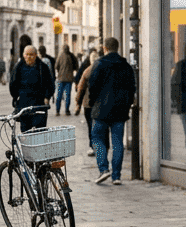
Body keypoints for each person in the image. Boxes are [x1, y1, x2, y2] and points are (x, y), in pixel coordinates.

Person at [86, 37, 136, 186]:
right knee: (117, 142)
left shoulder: (99, 64)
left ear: (105, 48)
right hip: (120, 110)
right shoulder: (125, 65)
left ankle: (103, 169)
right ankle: (116, 176)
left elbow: (92, 86)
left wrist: (93, 103)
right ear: (117, 47)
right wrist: (127, 104)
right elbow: (131, 88)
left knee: (97, 138)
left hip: (101, 110)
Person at [9, 45, 55, 132]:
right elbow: (12, 84)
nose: (29, 57)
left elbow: (50, 84)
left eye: (31, 55)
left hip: (39, 103)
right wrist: (15, 97)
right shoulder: (18, 67)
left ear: (36, 55)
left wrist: (47, 97)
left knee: (40, 131)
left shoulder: (43, 67)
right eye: (27, 54)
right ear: (23, 55)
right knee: (25, 131)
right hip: (24, 103)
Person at [75, 48, 101, 155]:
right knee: (99, 125)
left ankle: (92, 146)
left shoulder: (87, 71)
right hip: (100, 104)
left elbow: (80, 89)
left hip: (88, 104)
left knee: (91, 126)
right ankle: (100, 145)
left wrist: (78, 103)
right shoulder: (103, 70)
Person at [54, 45, 78, 115]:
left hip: (61, 78)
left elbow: (56, 66)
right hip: (69, 79)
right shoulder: (72, 56)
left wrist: (60, 71)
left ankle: (57, 111)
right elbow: (76, 66)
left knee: (59, 95)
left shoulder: (60, 56)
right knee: (67, 95)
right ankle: (67, 110)